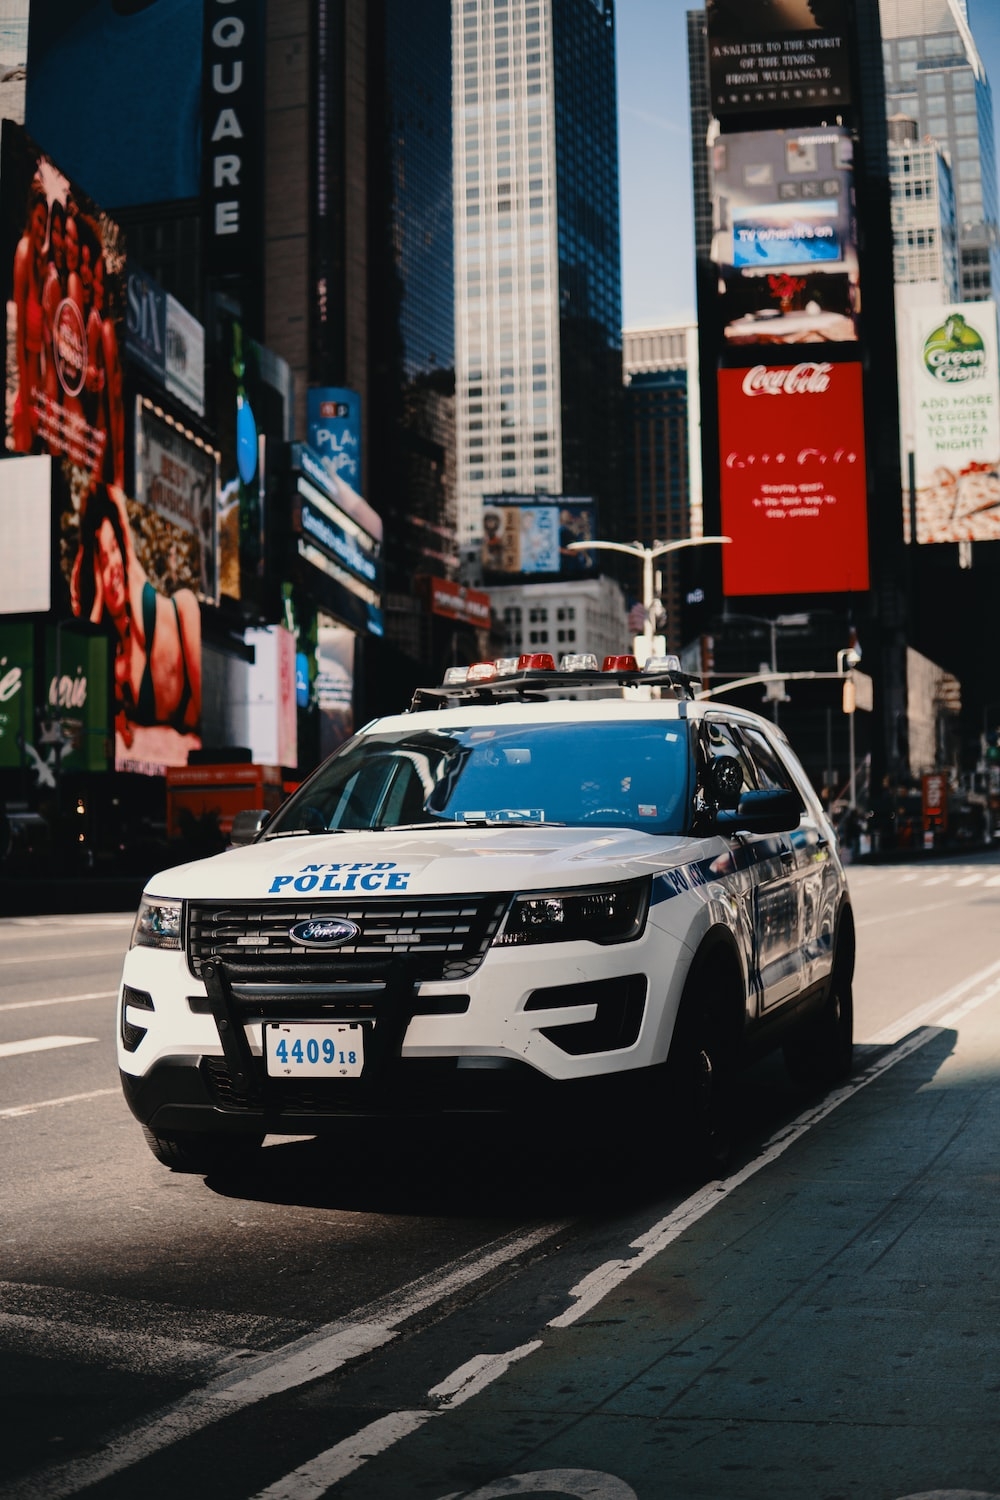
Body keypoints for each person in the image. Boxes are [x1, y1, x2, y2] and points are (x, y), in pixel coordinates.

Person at [71, 484, 201, 744]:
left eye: (114, 549)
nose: (112, 569)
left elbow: (199, 739)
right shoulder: (112, 659)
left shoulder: (182, 610)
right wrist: (97, 603)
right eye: (103, 561)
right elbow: (84, 728)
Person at [10, 176, 48, 452]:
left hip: (39, 390)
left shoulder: (41, 262)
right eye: (38, 220)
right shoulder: (23, 253)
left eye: (45, 224)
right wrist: (27, 399)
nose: (42, 229)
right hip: (24, 388)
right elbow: (22, 332)